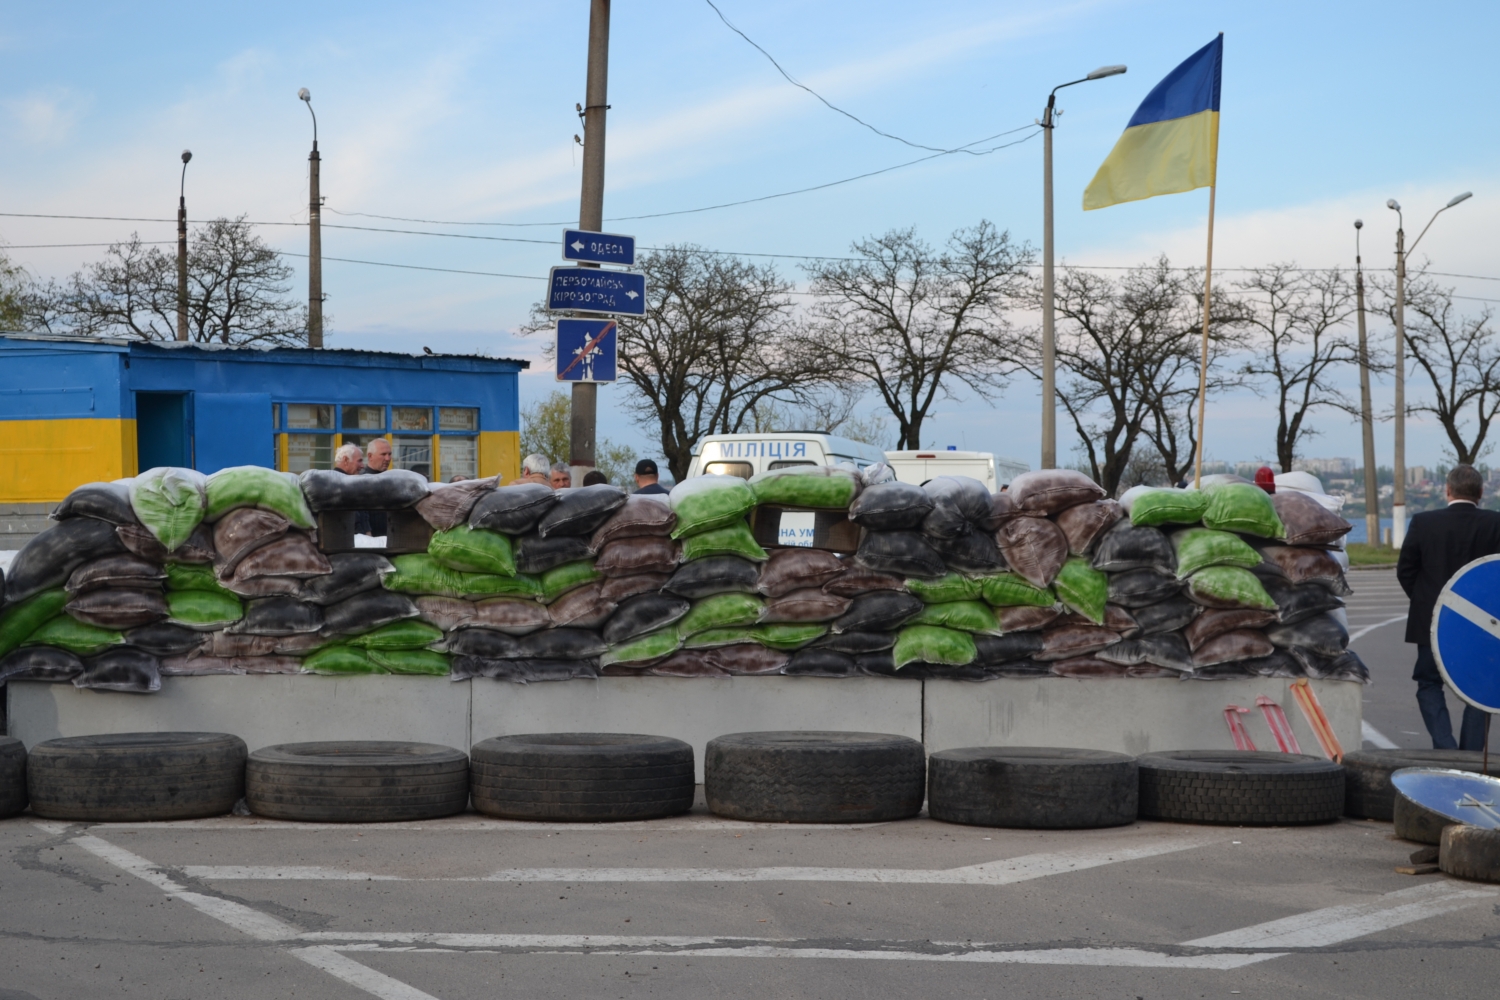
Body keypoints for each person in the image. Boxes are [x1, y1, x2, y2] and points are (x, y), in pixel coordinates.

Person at [1396, 463, 1500, 750]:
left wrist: (1427, 602)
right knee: (1477, 688)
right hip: (1481, 625)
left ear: (1447, 490)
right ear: (1480, 492)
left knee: (1429, 683)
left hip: (1433, 621)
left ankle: (1445, 747)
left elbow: (1406, 571)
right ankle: (1469, 755)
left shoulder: (1422, 522)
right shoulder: (1495, 522)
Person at [357, 438, 393, 537]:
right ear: (370, 456)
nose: (388, 458)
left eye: (389, 454)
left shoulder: (392, 478)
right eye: (383, 454)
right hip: (371, 537)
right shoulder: (361, 480)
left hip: (392, 535)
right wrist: (367, 531)